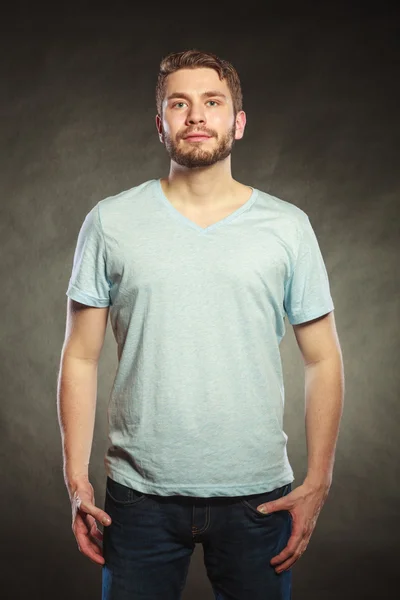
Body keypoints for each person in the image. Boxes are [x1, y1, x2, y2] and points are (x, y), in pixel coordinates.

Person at [57, 49, 344, 600]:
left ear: (237, 121)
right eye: (179, 103)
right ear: (160, 122)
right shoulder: (110, 222)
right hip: (137, 499)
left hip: (259, 499)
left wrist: (318, 482)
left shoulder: (287, 227)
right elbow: (80, 355)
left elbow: (324, 357)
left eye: (212, 102)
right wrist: (75, 479)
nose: (195, 116)